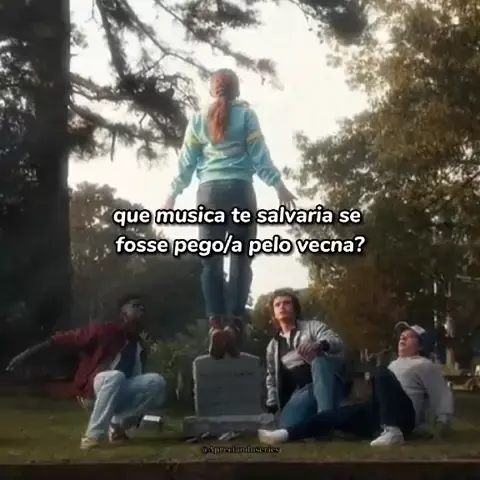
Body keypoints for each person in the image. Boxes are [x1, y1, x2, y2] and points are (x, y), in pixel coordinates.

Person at [162, 68, 296, 360]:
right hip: (240, 191)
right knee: (240, 260)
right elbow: (260, 155)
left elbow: (186, 162)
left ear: (212, 91)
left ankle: (215, 324)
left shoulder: (198, 119)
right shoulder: (246, 116)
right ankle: (234, 325)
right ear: (237, 91)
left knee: (211, 262)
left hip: (208, 194)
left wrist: (172, 194)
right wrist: (278, 185)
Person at [6, 294, 166, 450]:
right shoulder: (106, 331)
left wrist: (136, 411)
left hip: (118, 392)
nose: (141, 309)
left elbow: (137, 378)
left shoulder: (139, 346)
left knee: (156, 382)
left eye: (143, 307)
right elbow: (64, 338)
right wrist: (25, 355)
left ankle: (117, 424)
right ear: (123, 313)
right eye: (135, 305)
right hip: (93, 391)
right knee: (116, 376)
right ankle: (93, 436)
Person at [258, 323, 454, 447]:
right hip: (377, 413)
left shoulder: (425, 365)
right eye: (401, 335)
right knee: (331, 416)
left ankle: (393, 430)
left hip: (404, 416)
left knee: (379, 370)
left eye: (409, 336)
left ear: (420, 345)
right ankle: (284, 435)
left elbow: (441, 394)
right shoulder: (394, 364)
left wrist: (441, 424)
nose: (402, 338)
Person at [265, 289, 346, 429]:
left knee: (319, 361)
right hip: (301, 393)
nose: (282, 307)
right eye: (277, 305)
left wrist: (320, 345)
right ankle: (318, 421)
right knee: (288, 426)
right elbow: (271, 377)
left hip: (326, 383)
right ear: (274, 313)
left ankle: (325, 423)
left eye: (286, 303)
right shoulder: (273, 346)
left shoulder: (312, 326)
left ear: (295, 308)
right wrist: (271, 404)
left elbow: (337, 342)